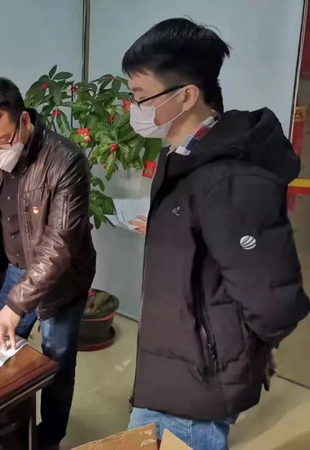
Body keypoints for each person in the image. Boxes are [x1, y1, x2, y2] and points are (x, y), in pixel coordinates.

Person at [122, 18, 310, 449]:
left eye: (140, 95)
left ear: (186, 96)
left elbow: (275, 300)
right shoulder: (181, 156)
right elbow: (208, 241)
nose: (134, 107)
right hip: (175, 359)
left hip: (199, 380)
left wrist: (243, 352)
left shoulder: (229, 177)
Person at [0, 77, 96, 449]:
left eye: (2, 141)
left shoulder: (65, 159)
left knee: (56, 364)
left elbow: (60, 243)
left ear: (24, 121)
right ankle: (8, 429)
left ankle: (50, 437)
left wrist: (14, 306)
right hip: (15, 270)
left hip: (62, 280)